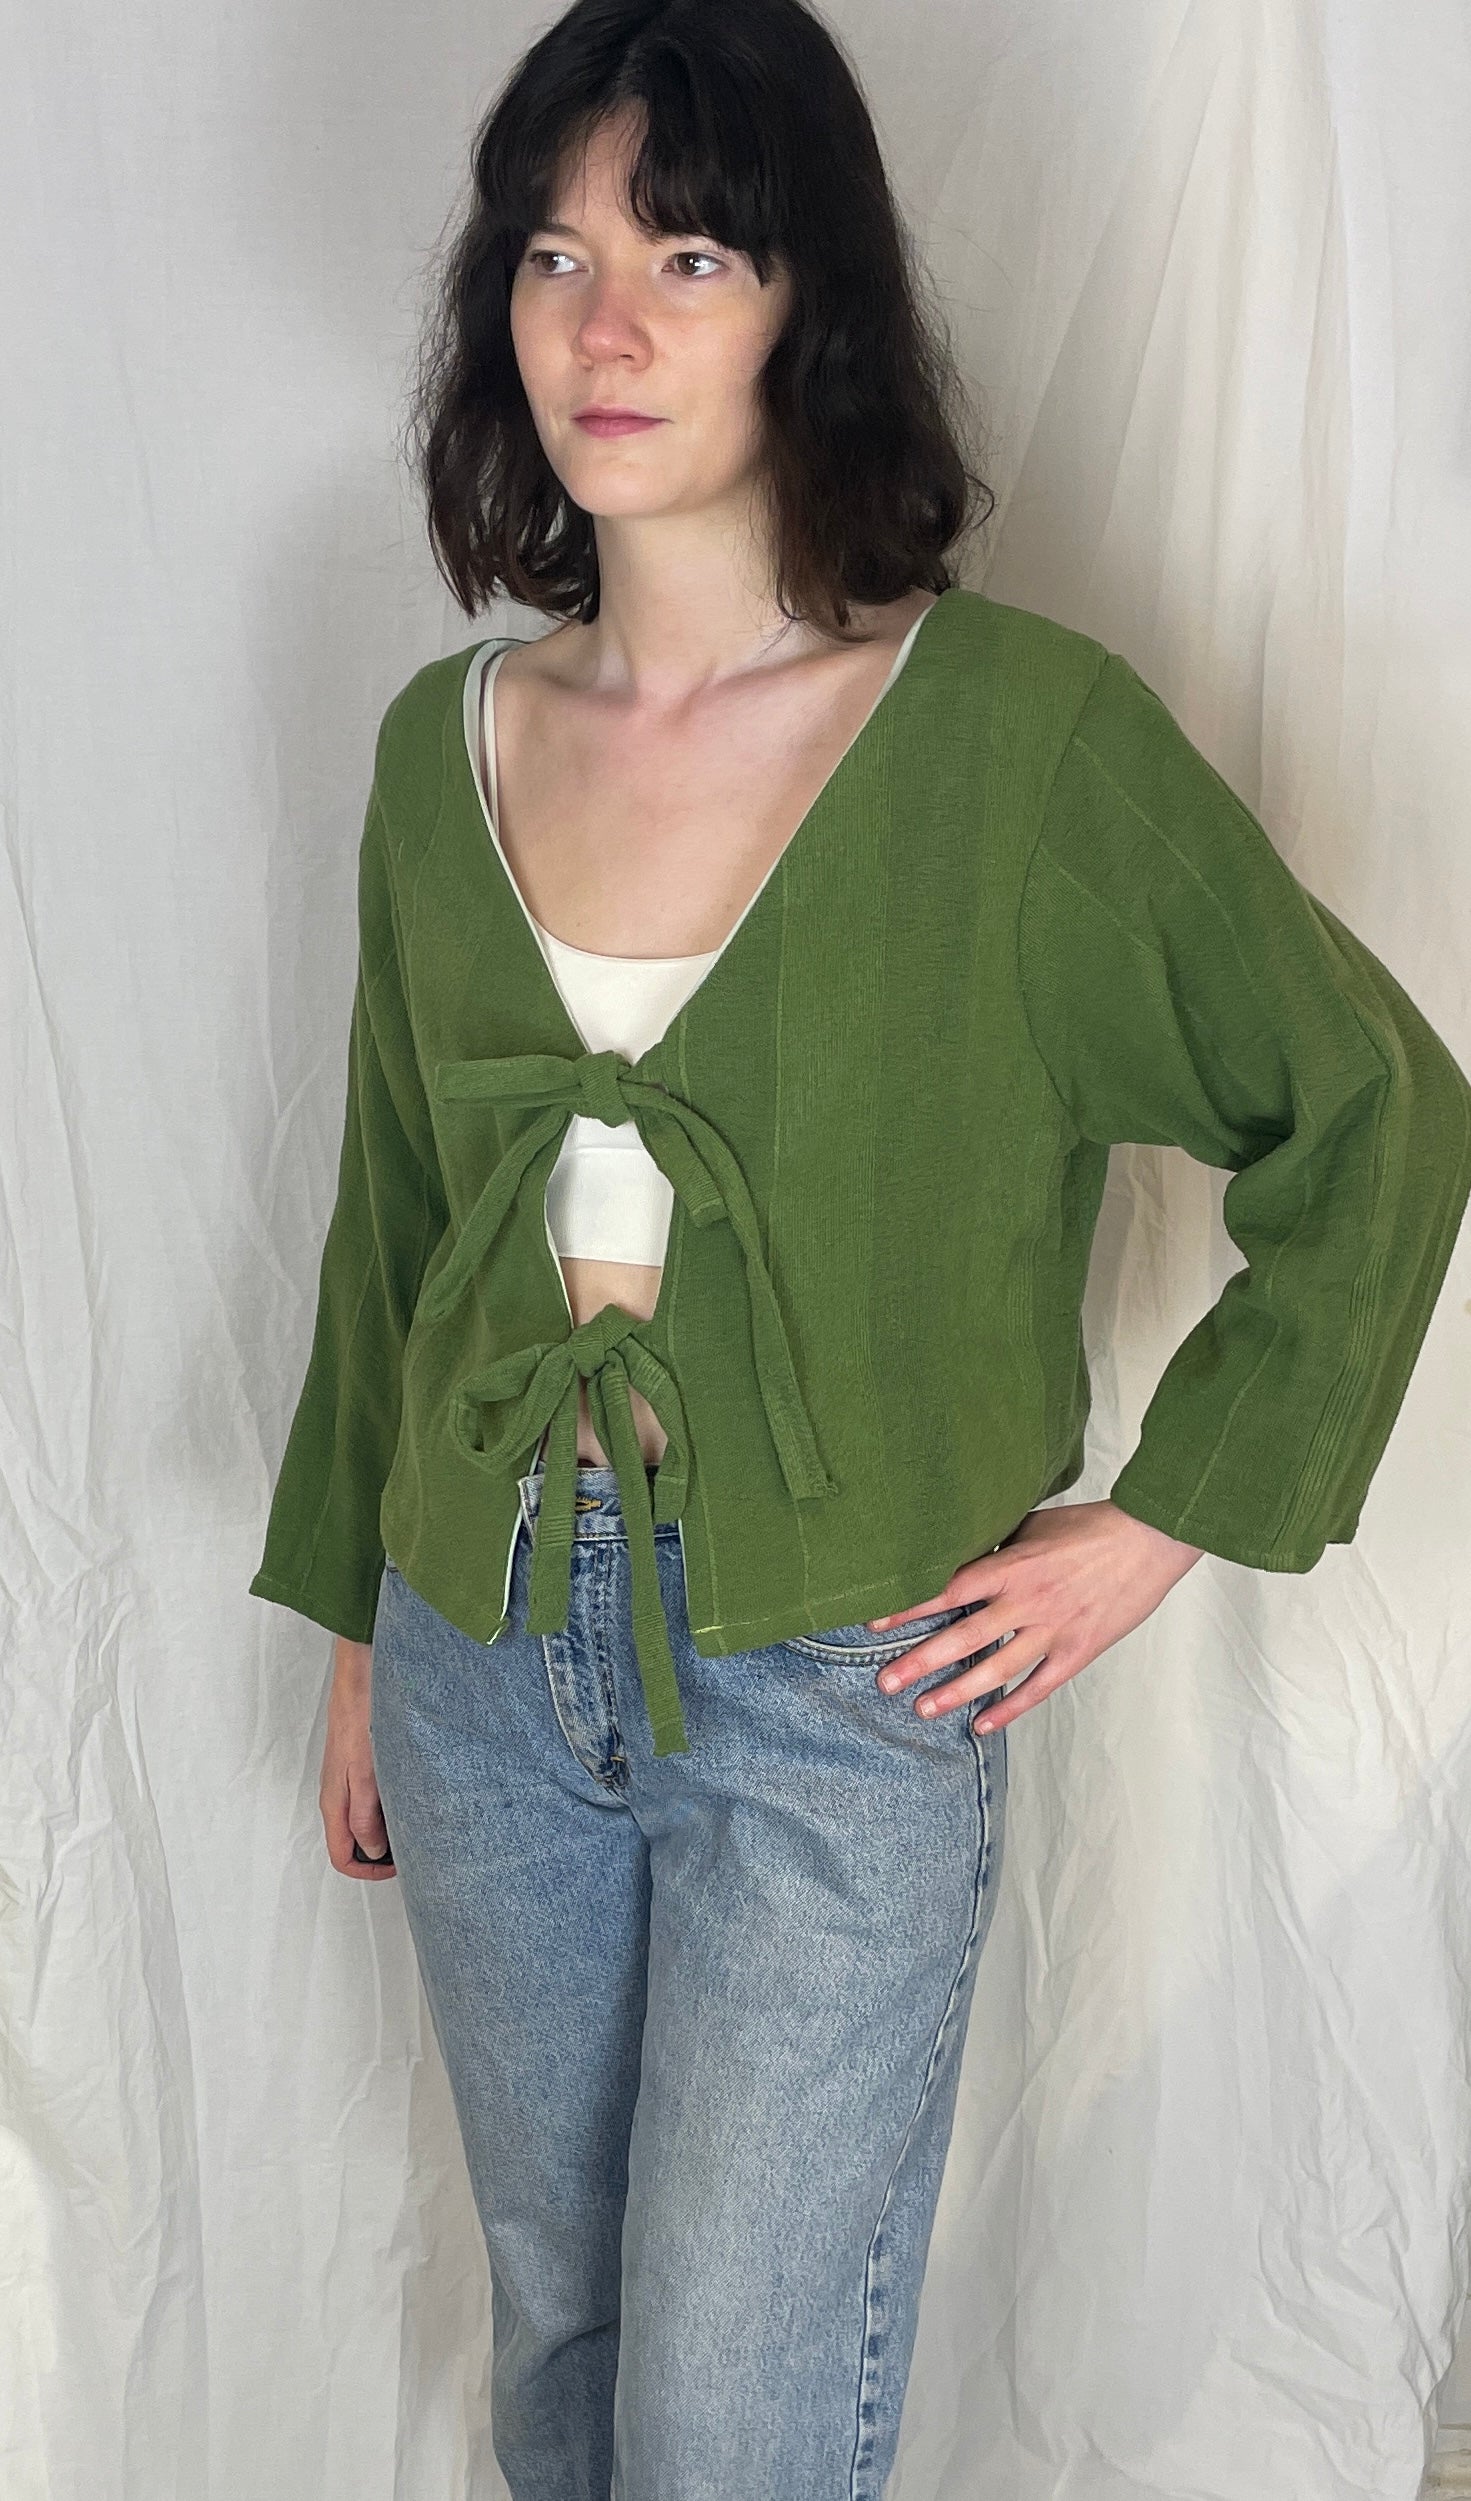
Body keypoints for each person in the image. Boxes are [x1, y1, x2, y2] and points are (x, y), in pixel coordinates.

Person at [247, 1, 1471, 2492]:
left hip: (836, 1676)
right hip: (480, 1638)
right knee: (564, 2344)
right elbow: (397, 1203)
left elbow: (1376, 1111)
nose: (605, 327)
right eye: (554, 256)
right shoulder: (442, 748)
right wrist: (369, 1617)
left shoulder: (1015, 743)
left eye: (687, 257)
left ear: (810, 301)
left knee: (729, 2419)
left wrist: (1163, 1518)